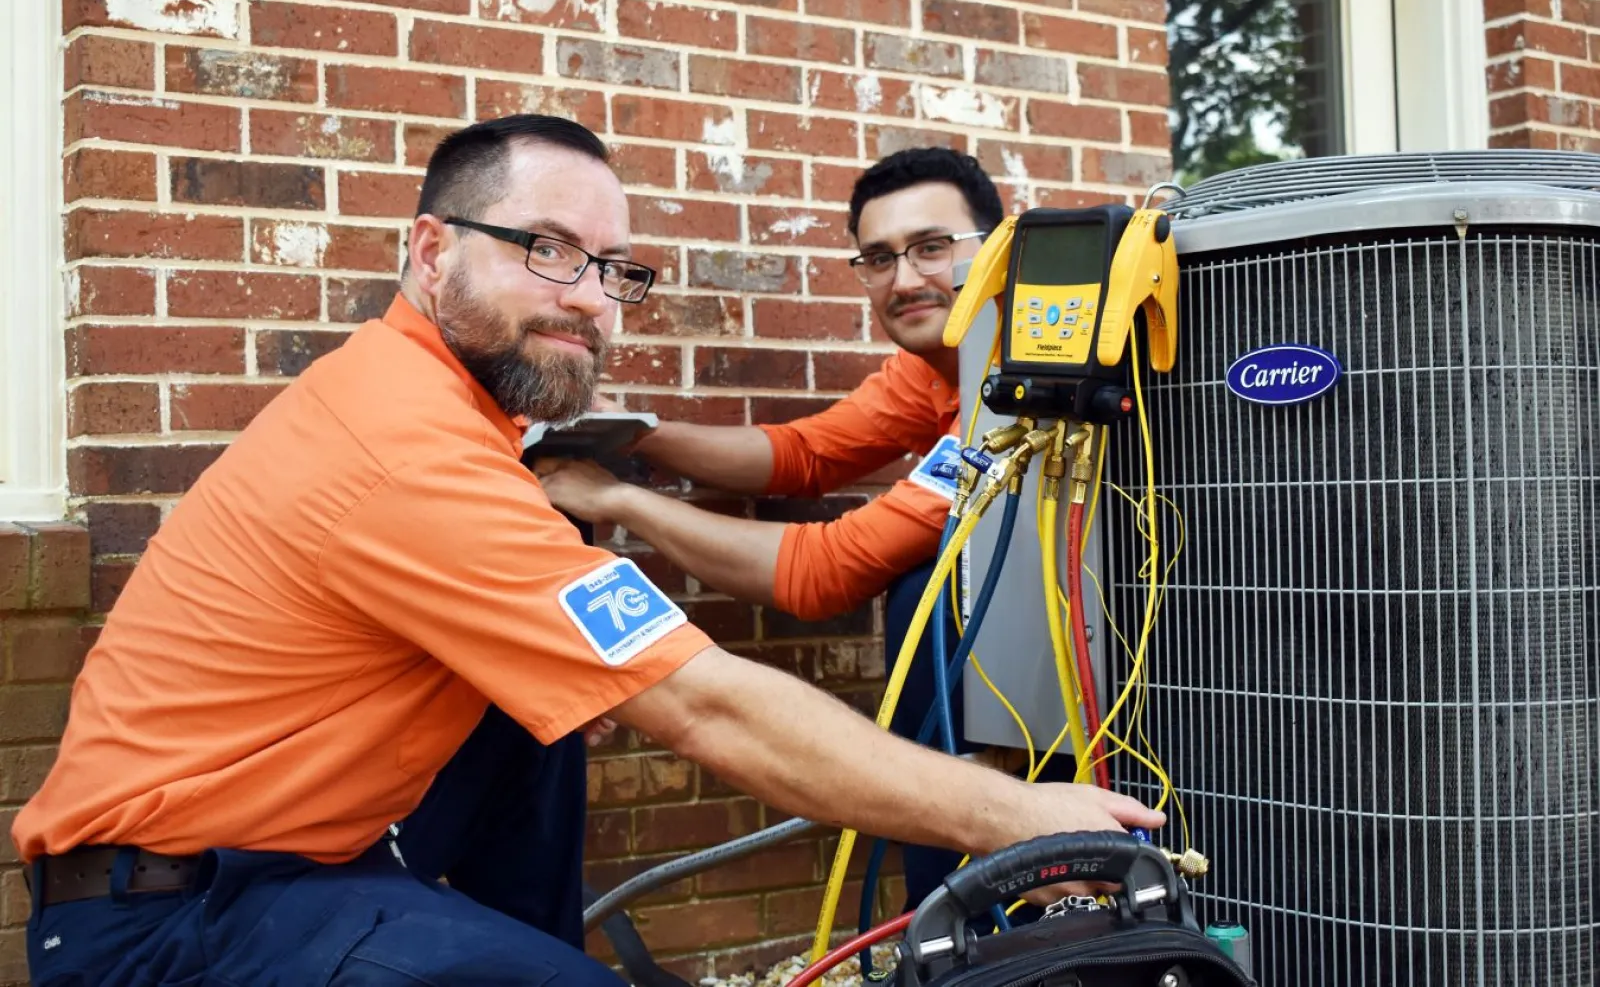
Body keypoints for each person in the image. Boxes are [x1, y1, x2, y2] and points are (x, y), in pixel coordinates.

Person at [12, 117, 1161, 987]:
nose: (593, 299)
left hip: (276, 864)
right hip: (175, 915)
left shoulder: (433, 409)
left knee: (543, 699)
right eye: (547, 251)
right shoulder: (409, 444)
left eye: (613, 269)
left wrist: (615, 489)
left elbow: (820, 548)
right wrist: (1017, 816)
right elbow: (784, 507)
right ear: (429, 252)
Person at [537, 148, 1023, 914]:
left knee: (927, 593)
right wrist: (636, 436)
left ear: (997, 248)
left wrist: (618, 500)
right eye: (878, 258)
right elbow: (805, 453)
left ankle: (976, 936)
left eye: (932, 247)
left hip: (1143, 658)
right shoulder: (937, 363)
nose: (903, 279)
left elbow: (823, 571)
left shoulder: (1021, 377)